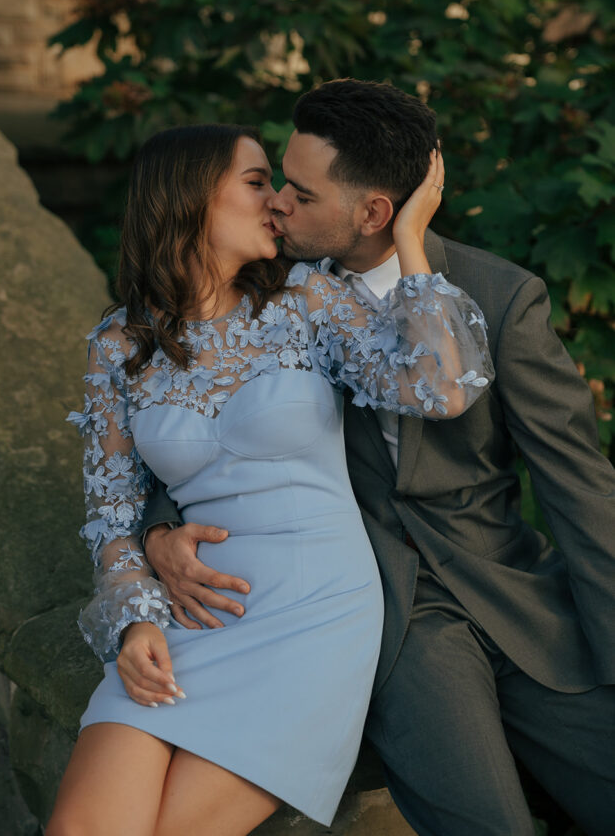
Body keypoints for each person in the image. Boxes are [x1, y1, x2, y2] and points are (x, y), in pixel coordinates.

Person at [141, 82, 615, 836]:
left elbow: (577, 485)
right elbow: (186, 416)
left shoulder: (497, 296)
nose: (277, 207)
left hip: (514, 592)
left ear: (373, 213)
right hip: (384, 615)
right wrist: (157, 530)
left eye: (299, 192)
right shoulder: (265, 296)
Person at [47, 122, 492, 836]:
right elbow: (110, 511)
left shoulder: (305, 301)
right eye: (257, 183)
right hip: (189, 616)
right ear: (191, 200)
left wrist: (410, 239)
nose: (278, 203)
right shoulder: (119, 342)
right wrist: (134, 619)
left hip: (313, 614)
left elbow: (439, 388)